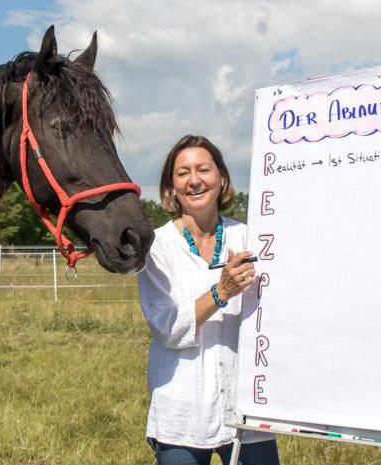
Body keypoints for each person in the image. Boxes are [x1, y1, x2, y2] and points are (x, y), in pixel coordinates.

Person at [138, 135, 280, 465]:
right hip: (182, 412)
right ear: (171, 187)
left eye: (203, 169)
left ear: (222, 179)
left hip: (247, 404)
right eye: (183, 173)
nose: (194, 180)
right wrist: (222, 292)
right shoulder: (157, 247)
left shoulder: (248, 237)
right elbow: (166, 327)